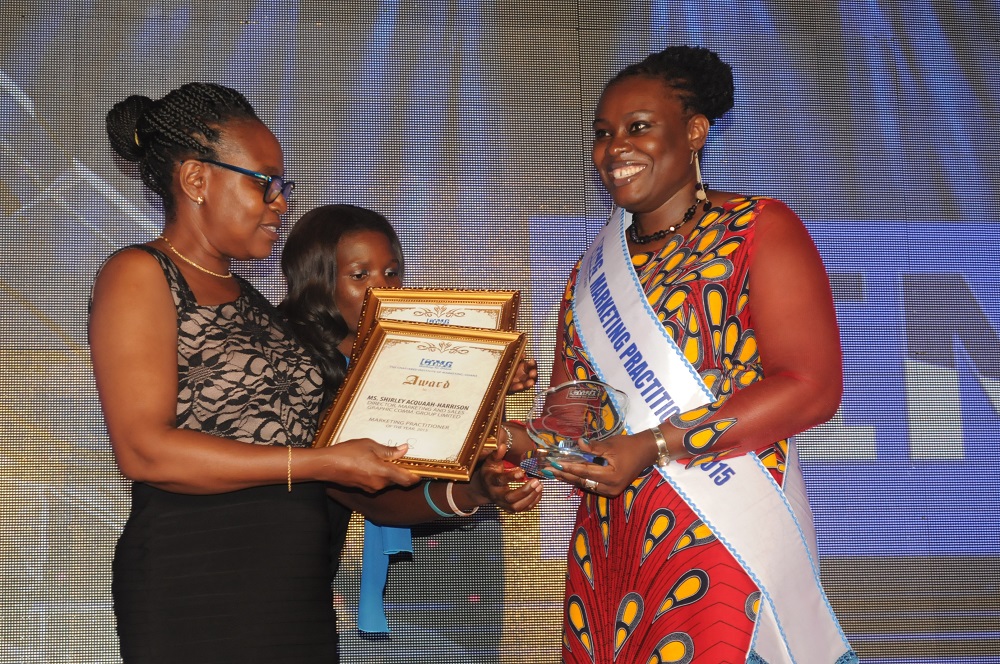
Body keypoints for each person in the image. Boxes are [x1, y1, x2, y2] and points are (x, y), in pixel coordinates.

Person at [91, 82, 538, 664]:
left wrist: (475, 420)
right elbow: (144, 452)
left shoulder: (257, 307)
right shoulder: (140, 272)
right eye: (265, 182)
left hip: (293, 585)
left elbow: (358, 477)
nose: (280, 203)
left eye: (283, 186)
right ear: (197, 179)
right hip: (198, 578)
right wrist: (321, 461)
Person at [501, 47, 857, 663]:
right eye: (603, 133)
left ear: (694, 131)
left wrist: (653, 445)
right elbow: (569, 426)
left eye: (638, 127)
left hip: (722, 530)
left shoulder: (759, 229)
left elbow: (811, 386)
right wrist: (492, 439)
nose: (615, 148)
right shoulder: (589, 272)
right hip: (610, 548)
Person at [279, 203, 540, 639]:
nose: (383, 288)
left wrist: (485, 388)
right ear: (316, 281)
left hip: (449, 579)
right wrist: (474, 490)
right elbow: (374, 498)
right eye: (360, 275)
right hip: (301, 579)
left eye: (391, 272)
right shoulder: (293, 372)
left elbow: (505, 447)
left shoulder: (415, 359)